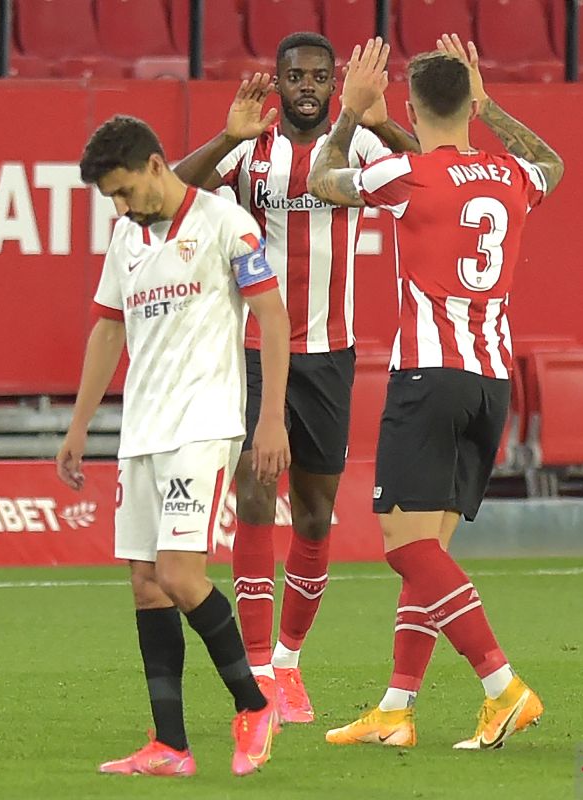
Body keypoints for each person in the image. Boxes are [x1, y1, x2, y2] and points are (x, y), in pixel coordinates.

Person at [306, 35, 565, 750]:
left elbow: (325, 178)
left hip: (430, 378)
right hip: (491, 383)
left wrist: (353, 113)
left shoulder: (407, 176)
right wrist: (495, 107)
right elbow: (555, 164)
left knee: (403, 547)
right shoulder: (512, 174)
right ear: (469, 102)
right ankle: (396, 708)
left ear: (412, 108)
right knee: (432, 549)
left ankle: (502, 685)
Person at [173, 31, 420, 723]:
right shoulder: (253, 148)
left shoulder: (359, 147)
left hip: (330, 357)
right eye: (295, 75)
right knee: (255, 495)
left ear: (334, 82)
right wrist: (225, 138)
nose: (306, 85)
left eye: (318, 75)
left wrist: (381, 120)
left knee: (313, 514)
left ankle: (288, 665)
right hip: (250, 349)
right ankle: (255, 672)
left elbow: (438, 174)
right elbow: (174, 191)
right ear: (277, 82)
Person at [56, 115, 292, 777]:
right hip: (142, 431)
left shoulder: (224, 223)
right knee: (145, 585)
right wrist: (79, 426)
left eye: (126, 190)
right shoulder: (126, 241)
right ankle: (170, 746)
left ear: (158, 165)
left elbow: (272, 317)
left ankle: (254, 703)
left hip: (204, 420)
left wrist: (269, 417)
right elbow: (107, 332)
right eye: (111, 197)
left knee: (180, 575)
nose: (122, 205)